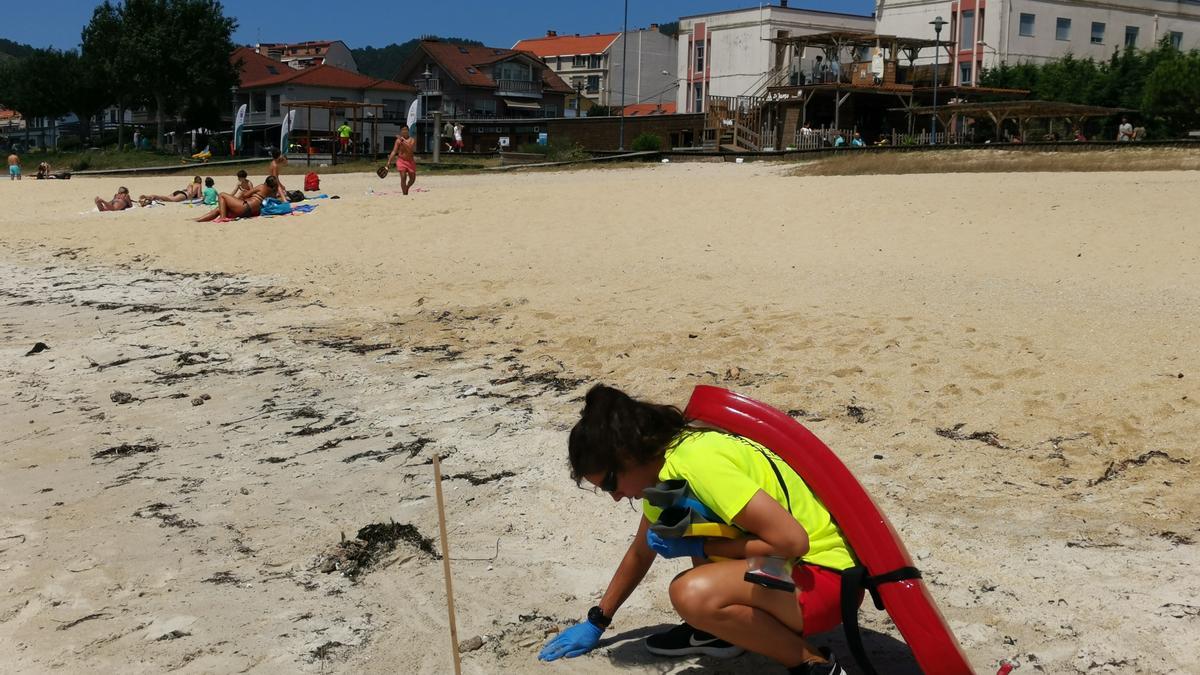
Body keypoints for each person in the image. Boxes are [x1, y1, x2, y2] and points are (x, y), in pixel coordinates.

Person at [537, 386, 854, 674]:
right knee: (683, 524)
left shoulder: (697, 463)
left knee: (690, 593)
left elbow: (793, 542)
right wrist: (598, 620)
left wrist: (704, 548)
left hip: (822, 581)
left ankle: (814, 664)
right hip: (790, 573)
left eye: (609, 483)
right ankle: (722, 634)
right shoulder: (664, 470)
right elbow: (641, 550)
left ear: (628, 456)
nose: (616, 497)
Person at [194, 176, 277, 222]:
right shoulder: (272, 193)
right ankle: (197, 220)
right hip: (249, 212)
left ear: (266, 182)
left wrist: (243, 191)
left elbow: (246, 195)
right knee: (220, 209)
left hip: (245, 207)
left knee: (222, 195)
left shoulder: (262, 186)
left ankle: (222, 217)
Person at [387, 126, 417, 196]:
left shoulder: (412, 139)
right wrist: (389, 161)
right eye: (403, 130)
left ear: (408, 131)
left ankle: (407, 187)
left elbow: (410, 147)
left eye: (406, 130)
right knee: (403, 177)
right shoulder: (398, 141)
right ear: (401, 131)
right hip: (401, 161)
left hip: (410, 161)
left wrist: (402, 140)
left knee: (412, 179)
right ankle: (405, 194)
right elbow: (394, 151)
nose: (404, 131)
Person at [139, 176, 203, 205]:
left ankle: (149, 197)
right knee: (170, 199)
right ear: (200, 181)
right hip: (184, 195)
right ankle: (152, 196)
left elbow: (188, 190)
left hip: (179, 192)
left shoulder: (190, 184)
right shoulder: (199, 185)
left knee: (165, 198)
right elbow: (199, 196)